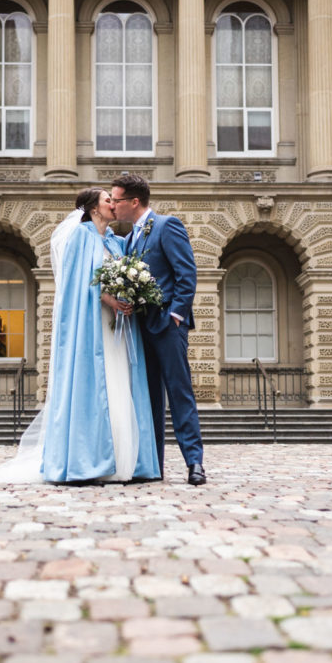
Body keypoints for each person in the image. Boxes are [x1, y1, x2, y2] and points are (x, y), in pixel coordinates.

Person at [0, 187, 160, 485]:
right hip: (92, 323)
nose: (113, 205)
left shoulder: (116, 242)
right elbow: (79, 282)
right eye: (109, 201)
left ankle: (123, 460)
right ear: (94, 208)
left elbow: (122, 275)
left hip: (119, 325)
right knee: (98, 383)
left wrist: (130, 296)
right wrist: (109, 299)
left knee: (120, 383)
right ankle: (90, 459)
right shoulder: (81, 237)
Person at [111, 173, 206, 486]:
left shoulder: (167, 226)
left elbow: (186, 274)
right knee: (148, 398)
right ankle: (154, 466)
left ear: (134, 202)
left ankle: (195, 463)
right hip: (139, 328)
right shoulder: (128, 239)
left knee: (179, 394)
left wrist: (176, 316)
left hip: (167, 326)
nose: (113, 205)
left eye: (117, 200)